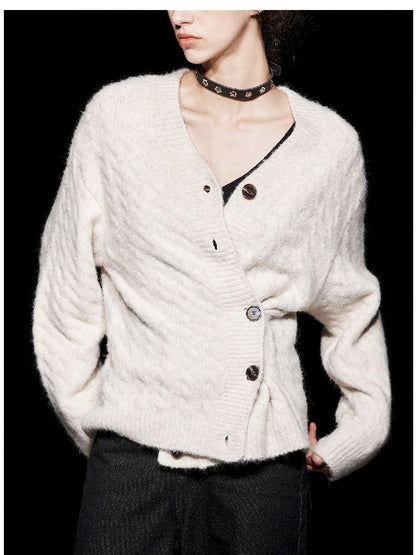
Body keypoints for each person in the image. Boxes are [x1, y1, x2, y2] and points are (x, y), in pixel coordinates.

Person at [31, 10, 392, 554]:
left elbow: (351, 302)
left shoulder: (329, 146)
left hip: (262, 472)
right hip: (131, 465)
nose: (180, 12)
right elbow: (66, 289)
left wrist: (357, 434)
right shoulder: (119, 118)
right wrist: (103, 425)